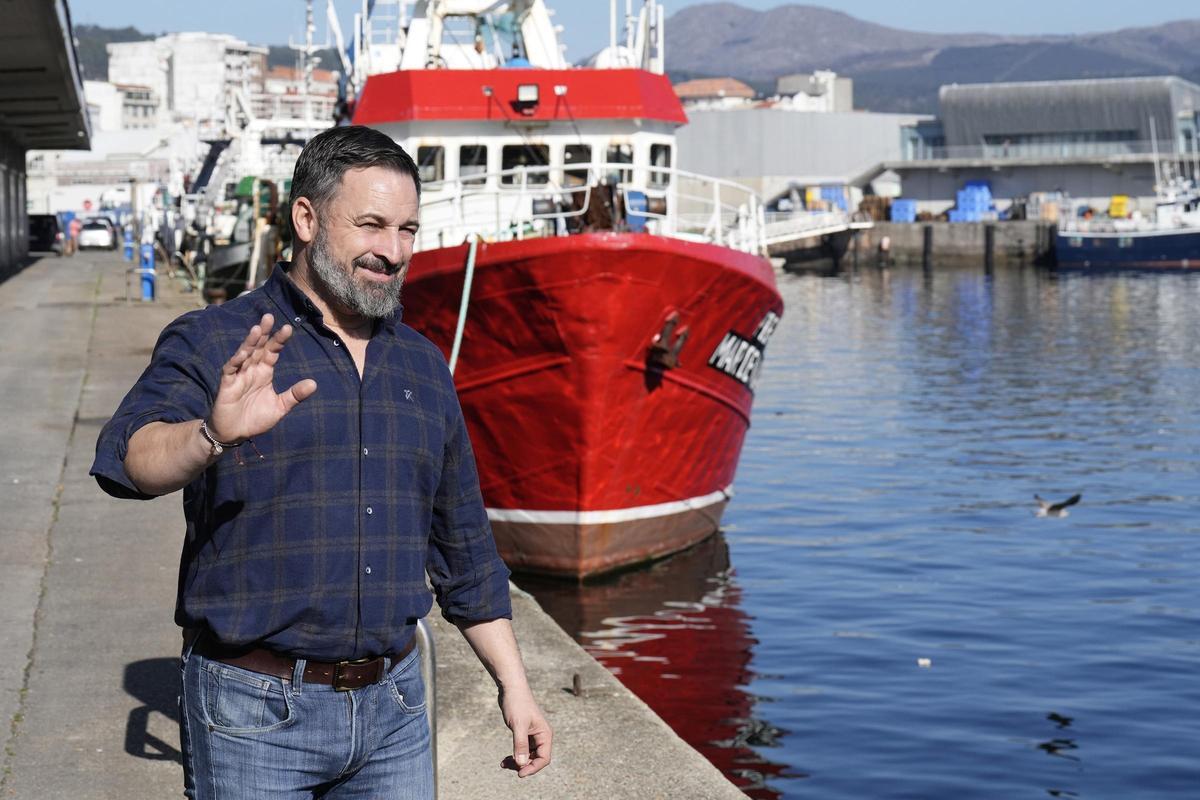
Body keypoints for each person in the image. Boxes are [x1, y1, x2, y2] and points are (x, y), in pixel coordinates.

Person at [91, 125, 552, 798]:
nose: (392, 252)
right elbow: (132, 458)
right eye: (371, 225)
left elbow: (464, 547)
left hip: (394, 711)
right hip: (252, 710)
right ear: (306, 218)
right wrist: (210, 436)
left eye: (407, 230)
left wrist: (515, 686)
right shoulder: (218, 339)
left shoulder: (423, 366)